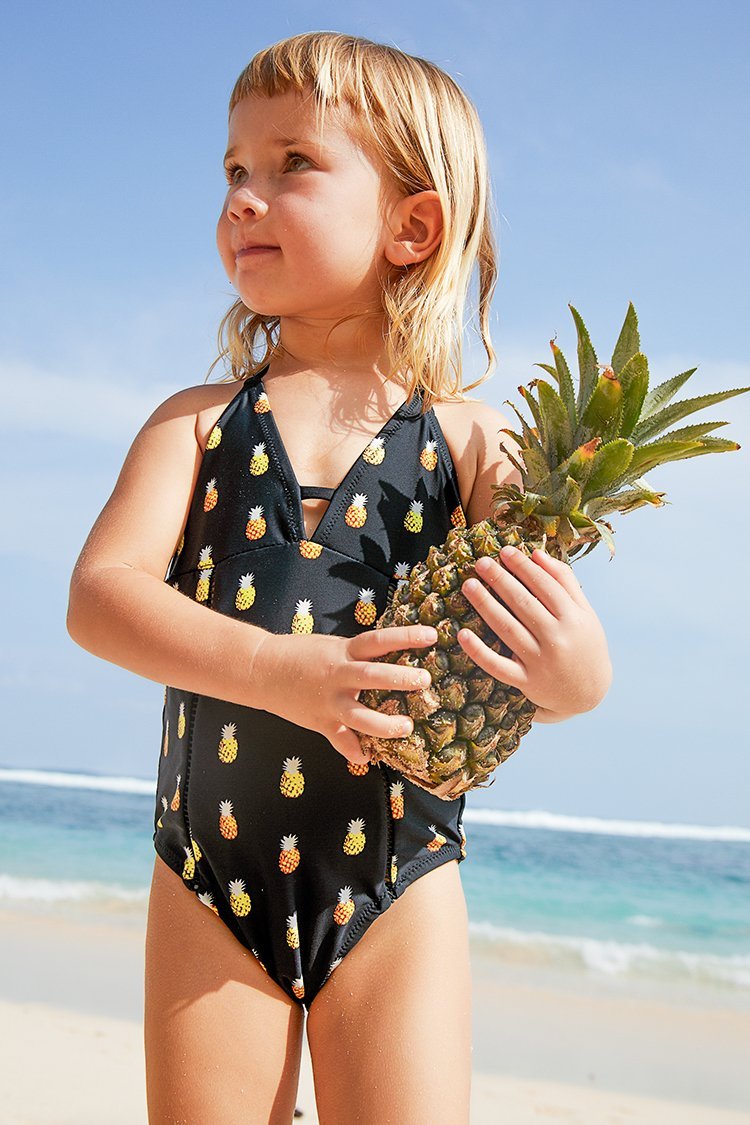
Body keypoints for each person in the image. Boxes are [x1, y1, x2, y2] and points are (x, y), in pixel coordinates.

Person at [66, 30, 612, 1124]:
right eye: (233, 171)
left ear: (413, 226)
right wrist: (276, 669)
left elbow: (562, 658)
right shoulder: (195, 424)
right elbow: (100, 597)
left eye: (291, 164)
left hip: (400, 874)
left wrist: (572, 673)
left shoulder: (472, 445)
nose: (244, 198)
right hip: (207, 873)